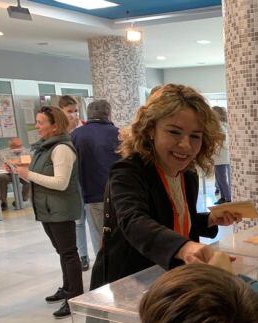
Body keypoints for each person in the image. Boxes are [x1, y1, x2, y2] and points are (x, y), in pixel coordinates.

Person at [90, 84, 240, 289]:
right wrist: (185, 247)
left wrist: (210, 219)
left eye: (195, 136)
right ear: (151, 129)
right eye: (174, 132)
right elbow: (134, 222)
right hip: (132, 281)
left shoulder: (187, 174)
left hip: (171, 280)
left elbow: (173, 222)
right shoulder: (129, 171)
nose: (186, 145)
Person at [13, 106, 83, 318]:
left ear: (55, 126)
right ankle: (67, 287)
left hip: (60, 209)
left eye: (41, 122)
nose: (37, 126)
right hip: (48, 209)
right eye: (37, 121)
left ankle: (75, 297)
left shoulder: (61, 149)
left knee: (69, 253)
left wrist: (29, 174)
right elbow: (38, 177)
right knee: (62, 251)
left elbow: (61, 183)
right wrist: (20, 173)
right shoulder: (45, 147)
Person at [71, 99, 119, 253]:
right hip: (118, 193)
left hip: (91, 194)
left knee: (98, 235)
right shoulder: (119, 134)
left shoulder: (76, 135)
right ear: (108, 114)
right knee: (121, 232)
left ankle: (104, 269)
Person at [59, 95, 89, 271]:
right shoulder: (61, 133)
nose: (74, 114)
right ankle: (83, 256)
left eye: (76, 110)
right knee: (78, 221)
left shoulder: (85, 128)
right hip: (71, 182)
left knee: (94, 222)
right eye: (69, 111)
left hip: (89, 179)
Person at [212, 106, 231, 205]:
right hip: (219, 156)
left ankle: (228, 198)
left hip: (221, 157)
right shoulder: (222, 124)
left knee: (222, 179)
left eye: (214, 114)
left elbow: (222, 137)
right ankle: (223, 197)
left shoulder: (221, 125)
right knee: (220, 179)